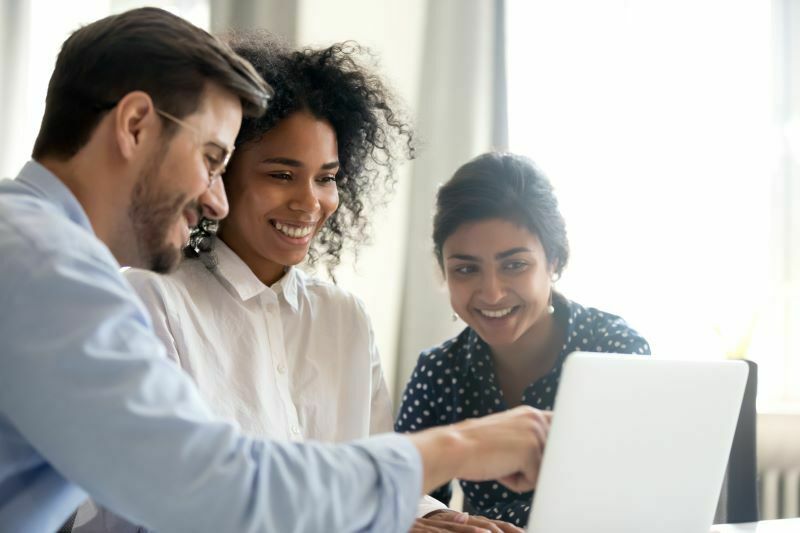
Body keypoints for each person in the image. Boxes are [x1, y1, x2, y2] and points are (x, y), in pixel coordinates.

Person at [0, 10, 552, 532]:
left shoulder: (30, 245)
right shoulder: (49, 268)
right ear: (136, 125)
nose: (214, 200)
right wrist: (462, 448)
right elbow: (211, 485)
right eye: (213, 159)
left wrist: (405, 510)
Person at [396, 152, 651, 528]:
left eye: (514, 265)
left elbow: (642, 496)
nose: (492, 293)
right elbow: (406, 493)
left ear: (554, 261)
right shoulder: (439, 370)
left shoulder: (615, 350)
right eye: (466, 269)